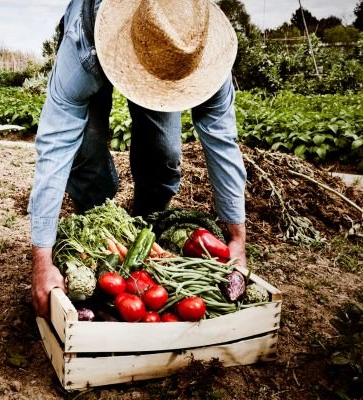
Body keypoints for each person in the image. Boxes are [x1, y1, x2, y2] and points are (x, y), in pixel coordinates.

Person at [29, 0, 247, 318]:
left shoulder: (195, 47)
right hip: (96, 38)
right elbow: (55, 145)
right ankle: (98, 240)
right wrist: (41, 260)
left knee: (164, 153)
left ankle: (148, 233)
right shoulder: (82, 48)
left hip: (167, 51)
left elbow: (222, 143)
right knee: (84, 153)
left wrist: (238, 238)